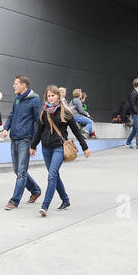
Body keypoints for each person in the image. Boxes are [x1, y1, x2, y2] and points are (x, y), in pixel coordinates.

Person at [29, 85, 90, 216]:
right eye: (48, 96)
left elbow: (76, 131)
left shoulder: (66, 112)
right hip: (45, 148)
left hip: (58, 148)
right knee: (54, 175)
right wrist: (33, 146)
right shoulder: (44, 111)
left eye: (53, 95)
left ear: (58, 96)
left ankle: (45, 206)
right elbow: (39, 130)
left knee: (51, 175)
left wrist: (85, 147)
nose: (50, 98)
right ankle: (65, 200)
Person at [0, 75, 42, 210]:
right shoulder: (17, 99)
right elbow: (11, 115)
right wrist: (6, 129)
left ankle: (14, 201)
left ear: (24, 85)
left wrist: (33, 143)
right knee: (17, 170)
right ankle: (35, 190)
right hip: (14, 138)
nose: (13, 86)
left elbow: (37, 122)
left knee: (22, 171)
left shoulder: (35, 100)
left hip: (25, 140)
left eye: (16, 84)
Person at [125, 78, 138, 150]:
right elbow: (132, 105)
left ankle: (128, 142)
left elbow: (137, 104)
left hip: (136, 113)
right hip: (136, 114)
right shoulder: (134, 93)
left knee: (135, 129)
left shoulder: (136, 93)